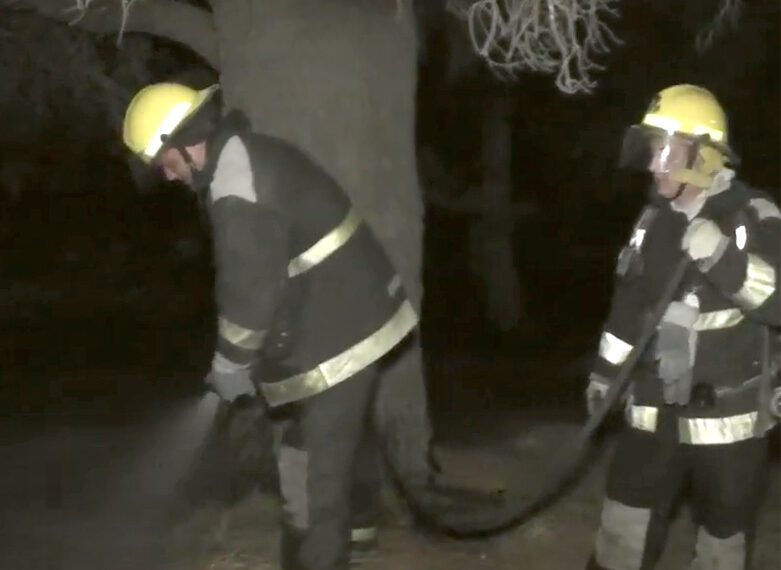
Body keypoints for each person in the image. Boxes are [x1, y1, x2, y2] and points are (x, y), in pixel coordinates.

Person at [121, 82, 420, 570]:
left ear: (181, 143)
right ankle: (357, 543)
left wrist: (229, 364)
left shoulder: (236, 185)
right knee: (335, 445)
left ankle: (326, 555)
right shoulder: (247, 156)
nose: (169, 177)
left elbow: (248, 290)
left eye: (164, 165)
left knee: (314, 479)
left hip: (339, 331)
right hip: (354, 315)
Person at [584, 84, 780, 570]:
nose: (655, 165)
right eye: (653, 151)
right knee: (620, 540)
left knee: (721, 550)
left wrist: (722, 258)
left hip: (729, 428)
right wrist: (604, 376)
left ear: (706, 154)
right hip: (650, 416)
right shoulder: (652, 222)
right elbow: (627, 311)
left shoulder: (754, 215)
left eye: (667, 151)